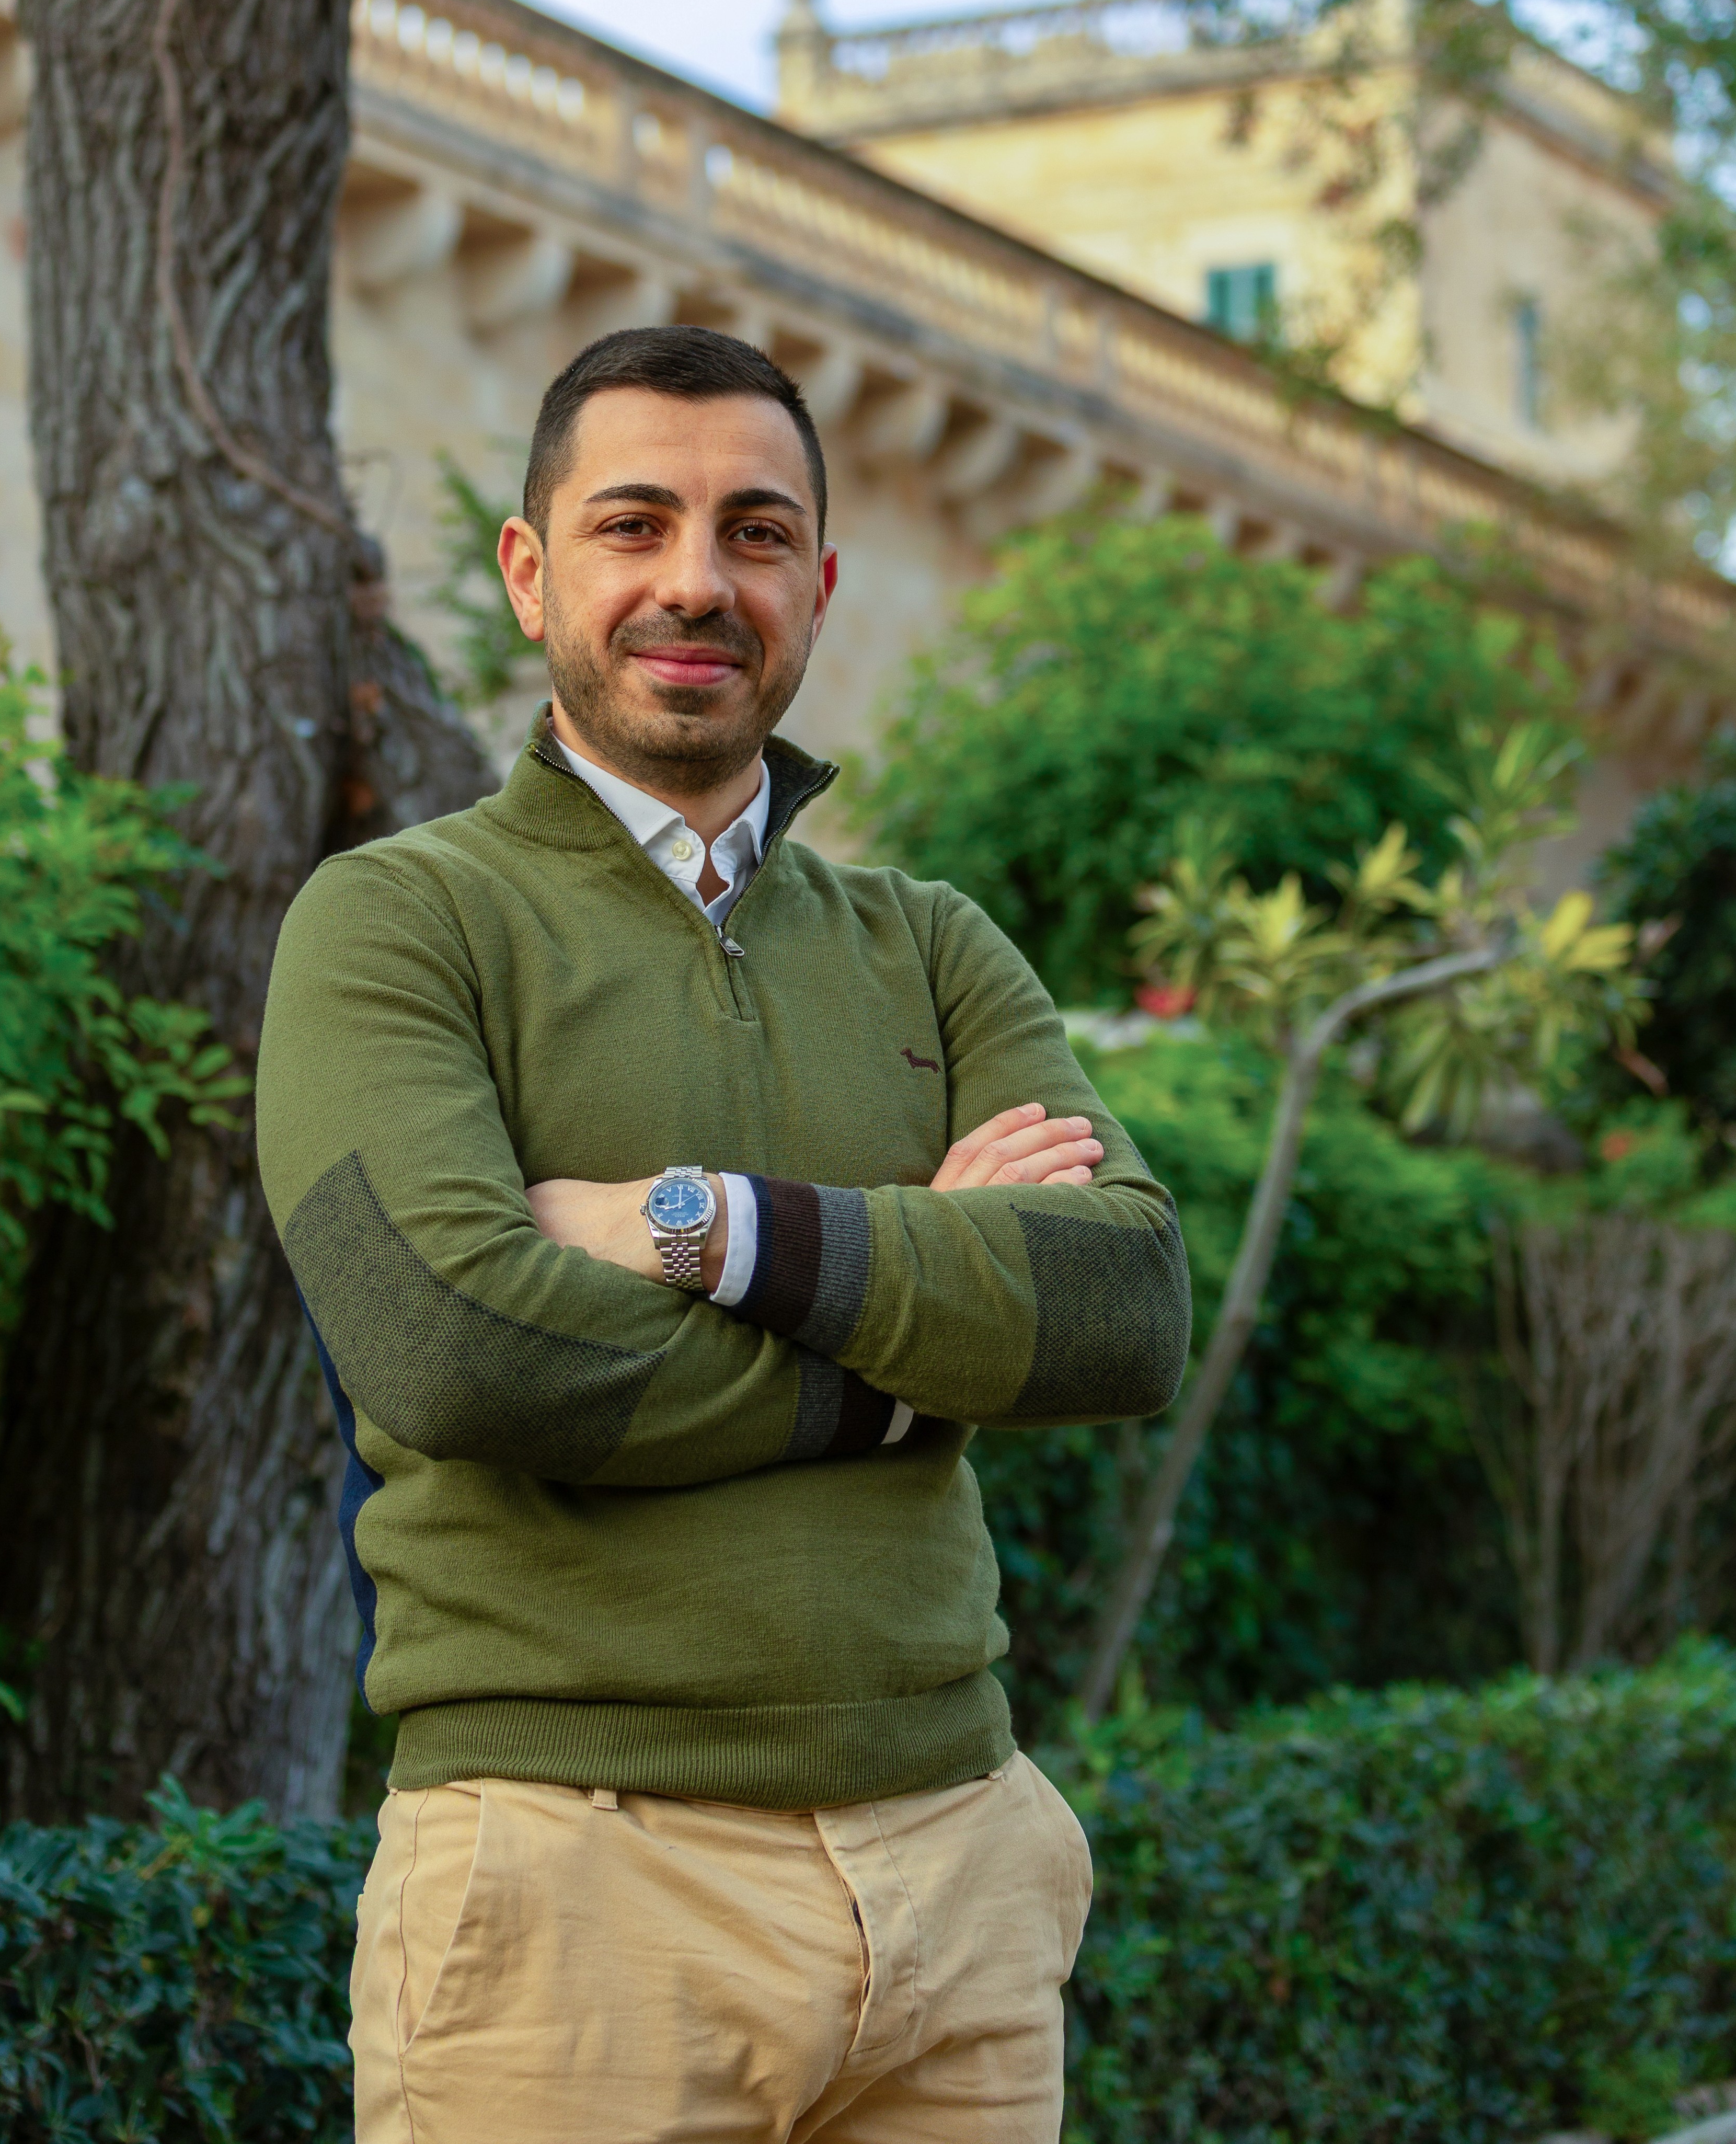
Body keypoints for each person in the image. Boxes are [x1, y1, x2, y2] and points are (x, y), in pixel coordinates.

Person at [257, 325, 1191, 2144]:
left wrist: (715, 1230)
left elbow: (1122, 1308)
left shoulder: (931, 944)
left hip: (958, 1875)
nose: (697, 581)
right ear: (535, 573)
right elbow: (458, 1346)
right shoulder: (394, 926)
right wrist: (917, 1360)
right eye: (635, 524)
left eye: (756, 533)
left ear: (818, 585)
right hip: (573, 1893)